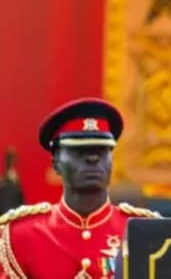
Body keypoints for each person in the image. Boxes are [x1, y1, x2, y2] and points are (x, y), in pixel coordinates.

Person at [0, 98, 160, 279]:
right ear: (55, 162)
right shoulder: (20, 236)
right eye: (79, 151)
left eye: (102, 150)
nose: (93, 159)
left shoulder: (147, 233)